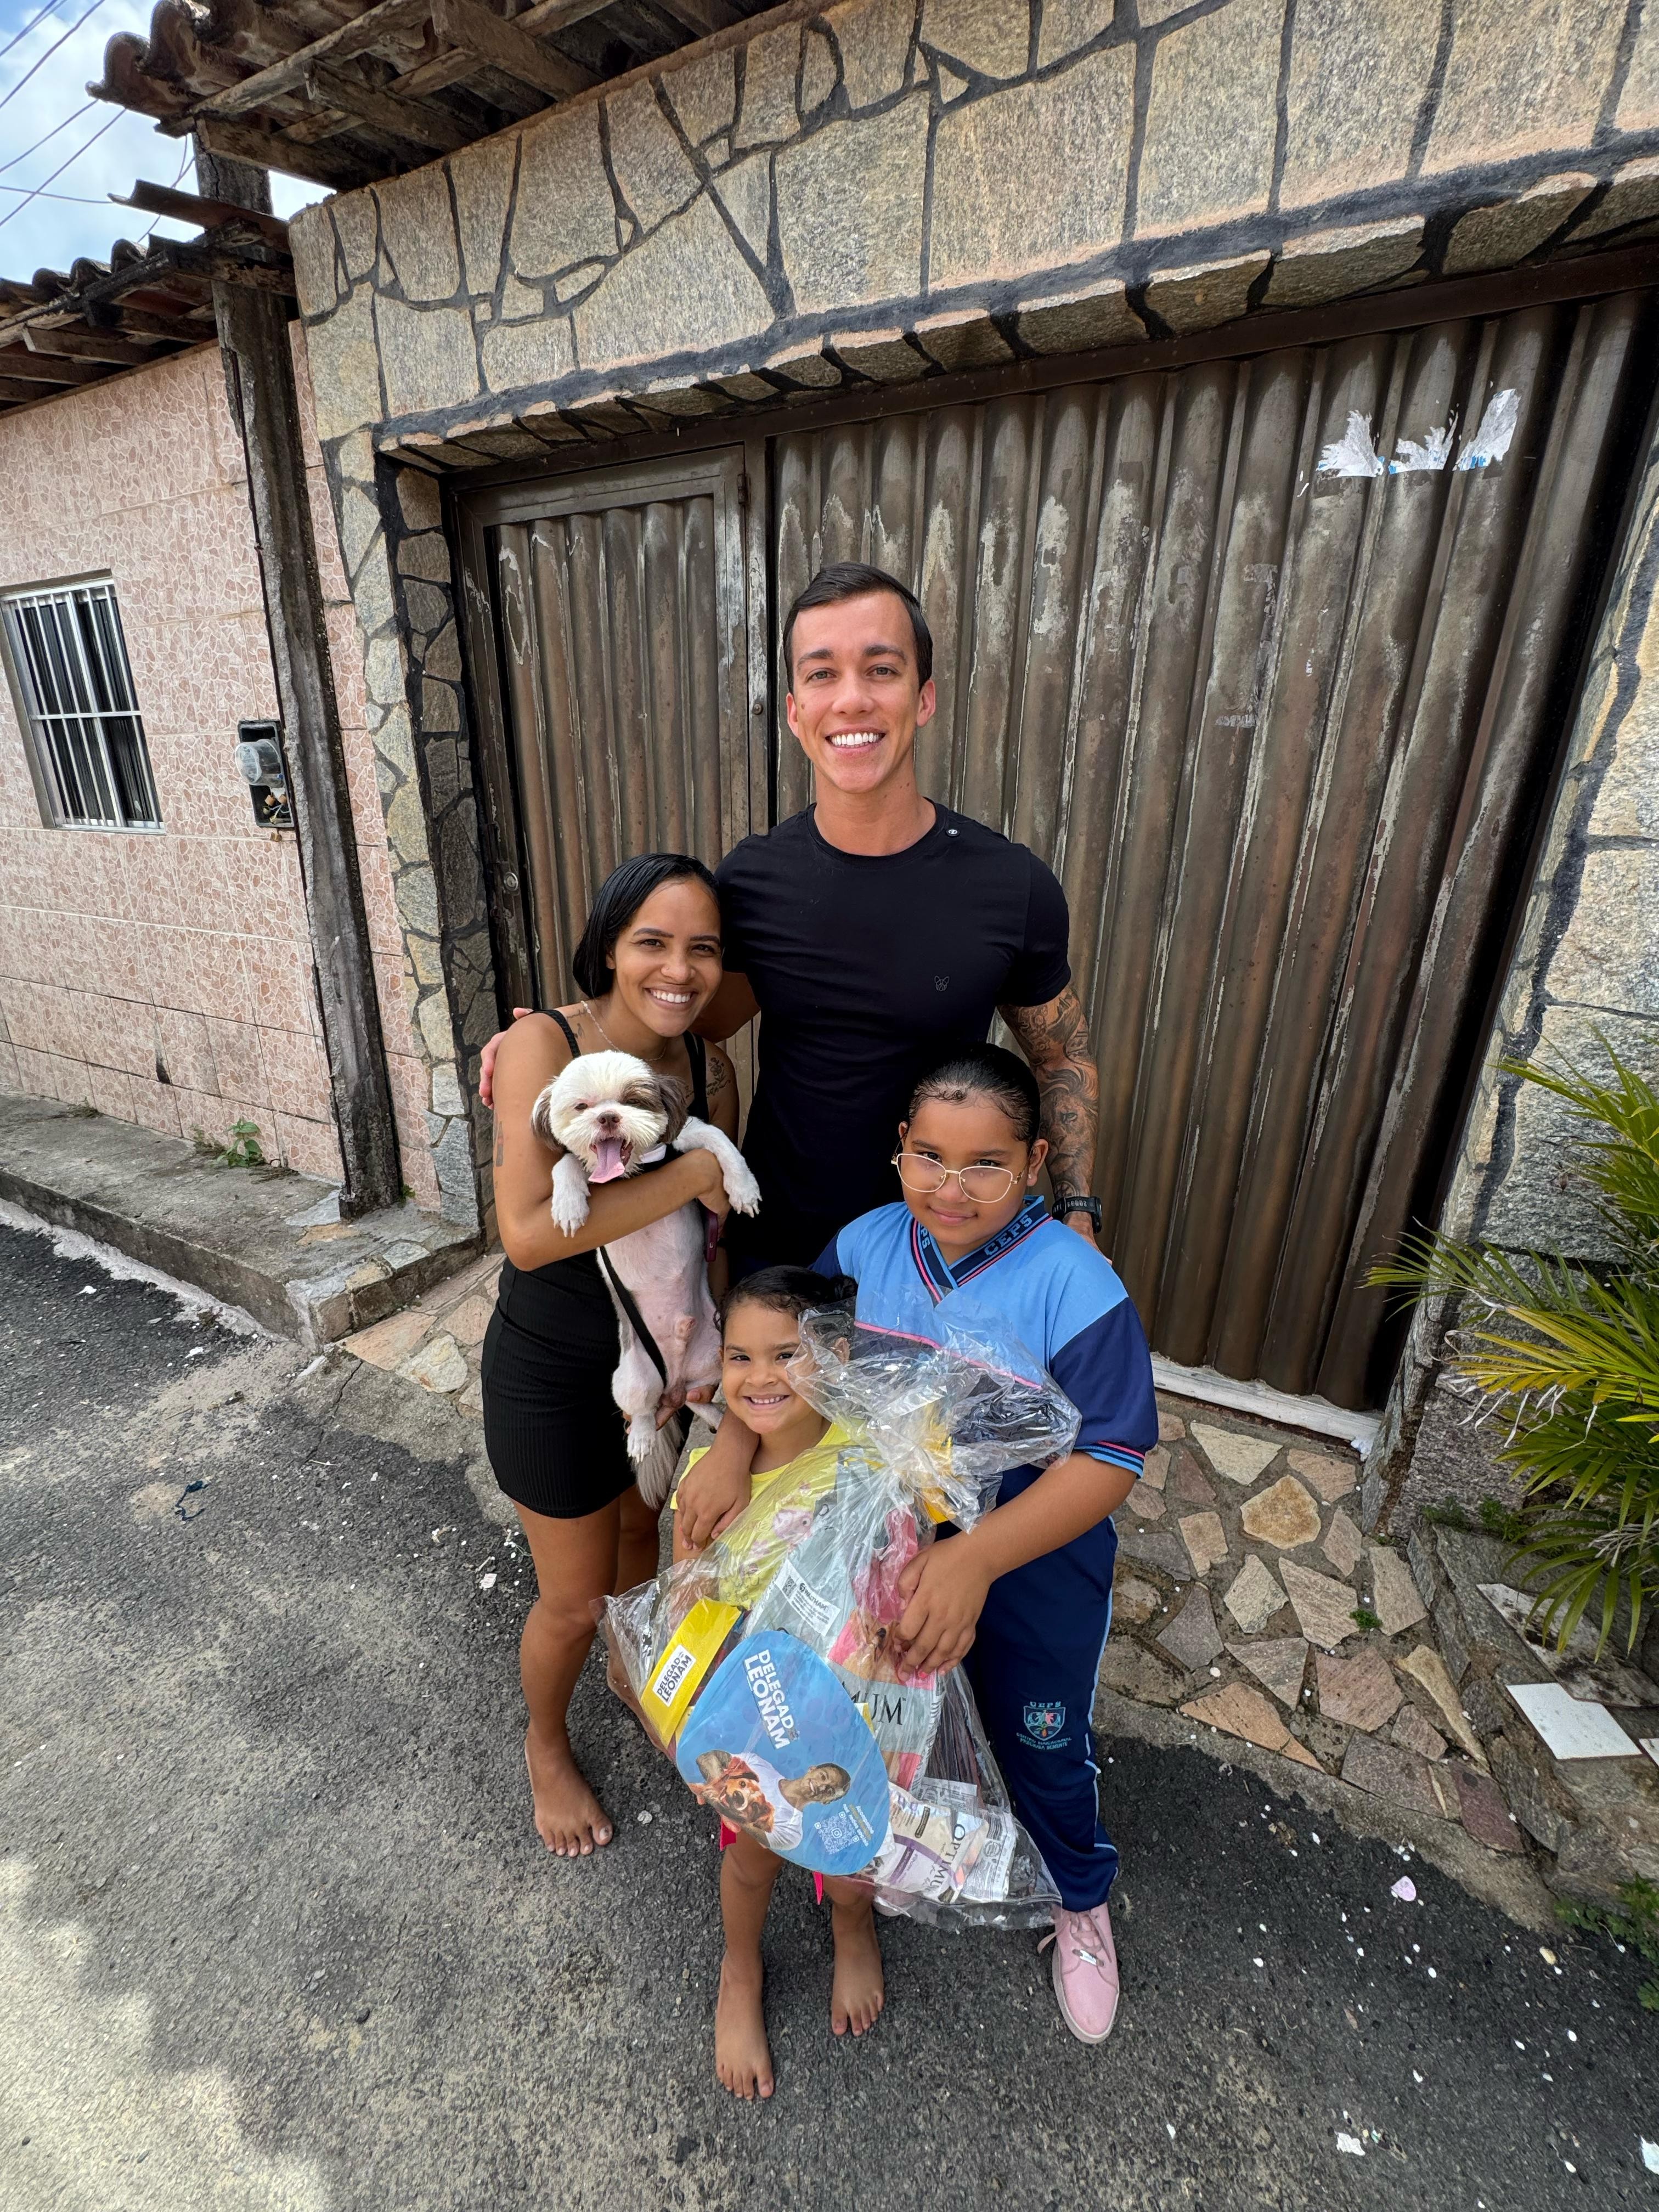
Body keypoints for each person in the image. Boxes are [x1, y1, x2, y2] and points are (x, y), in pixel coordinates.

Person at [480, 557, 1104, 1271]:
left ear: (924, 698)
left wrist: (1077, 1212)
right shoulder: (753, 880)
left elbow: (1061, 1055)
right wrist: (554, 1041)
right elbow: (685, 1024)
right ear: (795, 711)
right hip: (776, 1256)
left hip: (938, 1258)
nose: (851, 700)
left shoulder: (1010, 884)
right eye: (822, 674)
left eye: (881, 670)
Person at [813, 1043, 1156, 2046]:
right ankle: (874, 1857)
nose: (950, 1189)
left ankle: (1078, 1896)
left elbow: (1110, 1456)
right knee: (882, 1708)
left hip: (1035, 1567)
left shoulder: (1072, 1281)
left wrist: (974, 1558)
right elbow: (811, 1370)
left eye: (985, 1165)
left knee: (1041, 1733)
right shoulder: (865, 1247)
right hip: (885, 1544)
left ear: (1038, 1159)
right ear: (898, 1152)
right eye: (928, 1156)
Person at [483, 853, 742, 1859]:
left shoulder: (704, 1064)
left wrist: (715, 1340)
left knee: (642, 1553)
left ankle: (633, 1678)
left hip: (658, 1366)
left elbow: (711, 1229)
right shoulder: (545, 1043)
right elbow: (530, 1234)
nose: (678, 970)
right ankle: (545, 1745)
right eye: (652, 943)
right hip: (551, 1369)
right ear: (608, 946)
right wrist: (694, 1174)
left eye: (703, 950)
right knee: (574, 1597)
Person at [674, 1266, 887, 2100]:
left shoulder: (868, 1452)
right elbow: (682, 1611)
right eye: (739, 1357)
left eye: (785, 1355)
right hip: (752, 1723)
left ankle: (854, 1924)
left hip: (857, 1710)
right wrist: (695, 1728)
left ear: (831, 1357)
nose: (760, 1378)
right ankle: (739, 1970)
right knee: (753, 1861)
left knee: (855, 1852)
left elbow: (896, 1569)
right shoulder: (715, 1483)